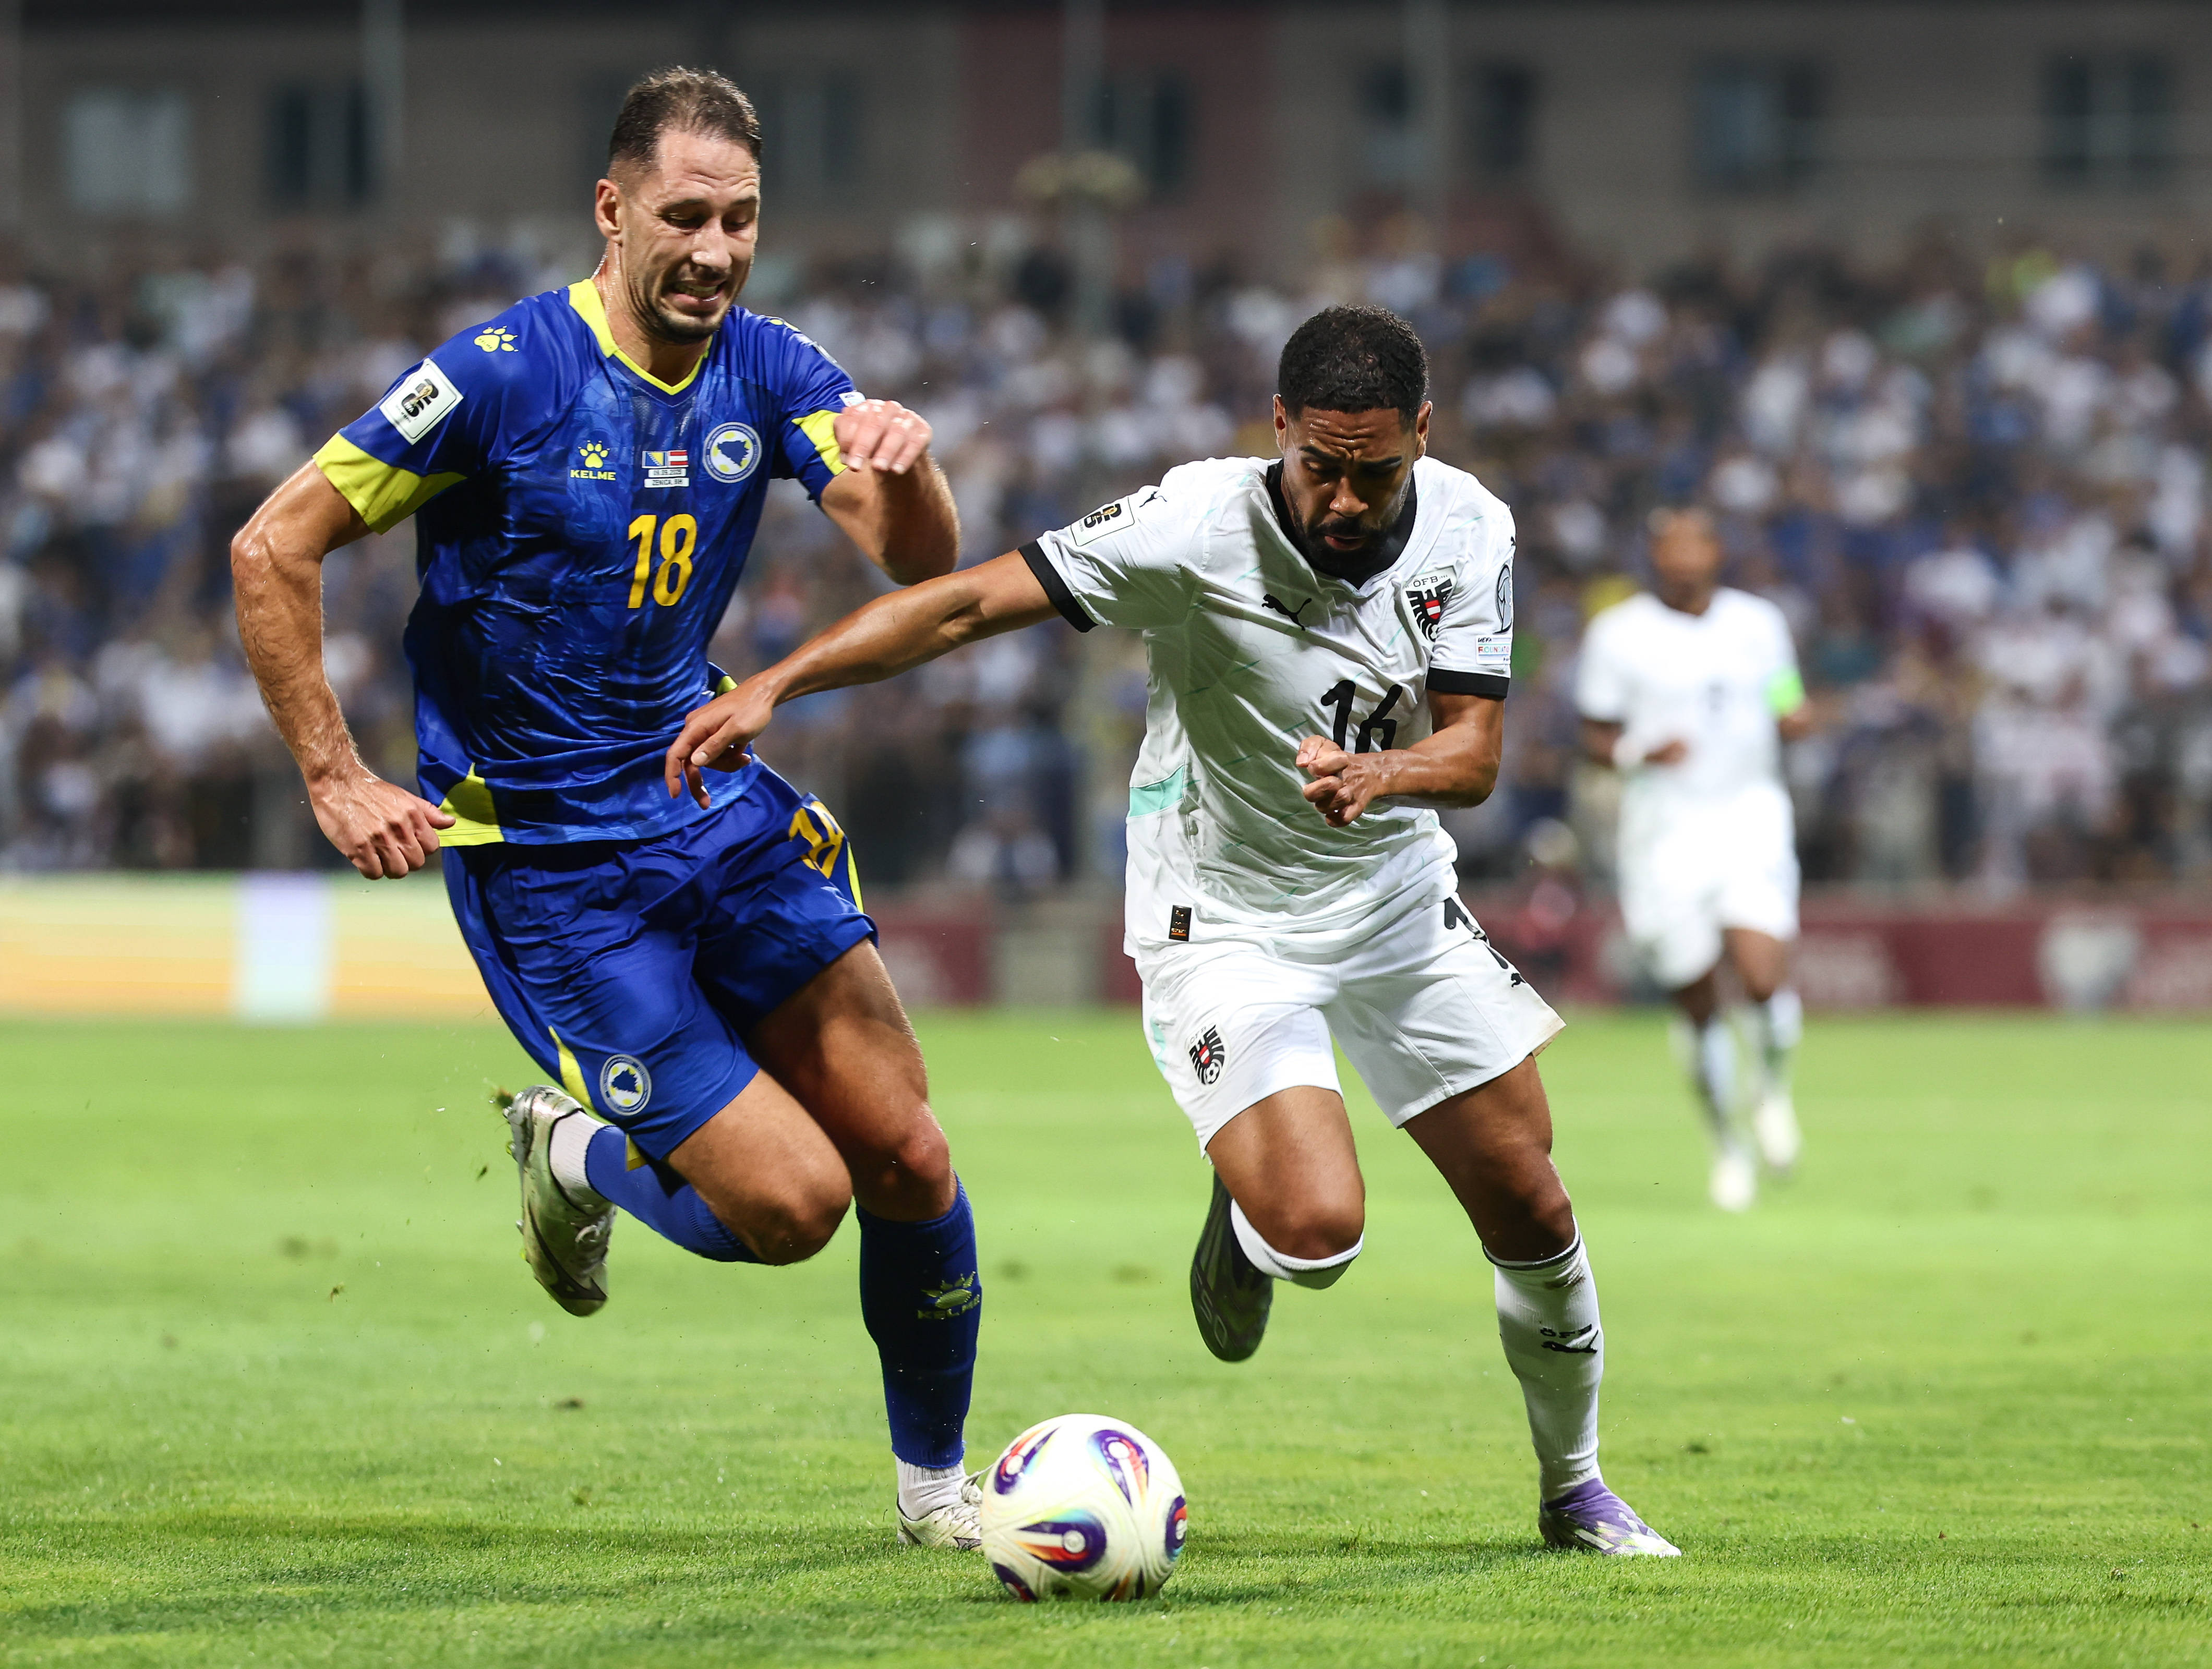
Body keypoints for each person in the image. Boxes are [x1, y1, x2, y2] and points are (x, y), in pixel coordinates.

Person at [668, 305, 1681, 1557]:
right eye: (1322, 466)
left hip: (1394, 898)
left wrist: (1388, 776)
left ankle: (1573, 1487)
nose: (1348, 498)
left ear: (1425, 435)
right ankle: (1246, 1211)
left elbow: (1473, 753)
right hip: (1226, 914)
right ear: (1279, 431)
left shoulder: (1474, 528)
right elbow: (962, 608)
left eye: (1377, 469)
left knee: (1531, 1200)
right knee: (1319, 1236)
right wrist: (778, 681)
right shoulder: (1195, 522)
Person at [228, 68, 988, 1550]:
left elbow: (915, 561)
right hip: (554, 873)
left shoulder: (771, 368)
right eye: (686, 216)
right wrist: (336, 771)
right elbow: (275, 546)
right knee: (794, 1210)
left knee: (908, 1156)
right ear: (613, 209)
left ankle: (940, 1497)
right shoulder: (500, 375)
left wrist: (913, 466)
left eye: (743, 220)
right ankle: (574, 1153)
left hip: (712, 810)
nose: (715, 249)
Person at [1573, 509, 1813, 1213]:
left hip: (1749, 816)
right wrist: (1634, 753)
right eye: (1668, 547)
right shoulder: (1618, 635)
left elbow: (1783, 695)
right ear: (1653, 556)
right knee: (1698, 999)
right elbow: (1592, 734)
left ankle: (1769, 1090)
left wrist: (1793, 715)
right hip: (1663, 832)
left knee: (1763, 973)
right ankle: (1728, 1145)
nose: (1682, 559)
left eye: (1694, 545)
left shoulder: (1759, 623)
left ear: (1716, 552)